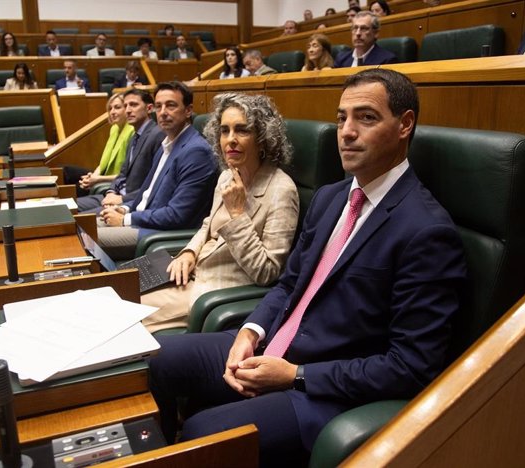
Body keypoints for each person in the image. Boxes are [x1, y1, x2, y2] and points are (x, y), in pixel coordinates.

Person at [148, 68, 466, 467]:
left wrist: (295, 374)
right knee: (156, 356)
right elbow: (288, 283)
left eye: (365, 117)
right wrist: (250, 331)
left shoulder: (426, 230)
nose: (347, 132)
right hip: (273, 345)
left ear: (405, 125)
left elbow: (411, 366)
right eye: (341, 118)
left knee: (201, 434)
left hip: (322, 388)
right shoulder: (332, 198)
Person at [140, 92, 299, 333]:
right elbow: (208, 226)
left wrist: (237, 214)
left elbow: (266, 272)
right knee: (116, 290)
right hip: (189, 274)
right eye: (225, 131)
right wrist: (189, 252)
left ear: (263, 138)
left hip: (213, 294)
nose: (230, 140)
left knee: (122, 319)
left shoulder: (281, 190)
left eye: (242, 130)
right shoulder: (227, 175)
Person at [97, 81, 218, 261]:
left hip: (157, 234)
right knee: (84, 225)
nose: (162, 112)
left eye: (171, 106)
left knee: (87, 238)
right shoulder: (166, 145)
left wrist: (126, 219)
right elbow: (147, 193)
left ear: (188, 110)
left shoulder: (196, 152)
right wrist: (124, 208)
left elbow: (177, 215)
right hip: (141, 220)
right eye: (159, 106)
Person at [76, 89, 165, 213]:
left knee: (81, 218)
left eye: (133, 105)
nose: (128, 110)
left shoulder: (157, 135)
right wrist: (111, 192)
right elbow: (122, 175)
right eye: (125, 106)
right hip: (116, 195)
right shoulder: (135, 136)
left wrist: (121, 198)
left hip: (131, 202)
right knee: (66, 207)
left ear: (149, 108)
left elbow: (154, 185)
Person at [64, 93, 136, 198]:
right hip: (104, 174)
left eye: (117, 108)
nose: (112, 112)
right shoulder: (114, 129)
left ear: (126, 109)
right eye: (110, 108)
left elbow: (126, 175)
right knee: (65, 171)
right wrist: (93, 176)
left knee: (76, 188)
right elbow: (103, 163)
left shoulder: (132, 132)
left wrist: (97, 179)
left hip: (115, 180)